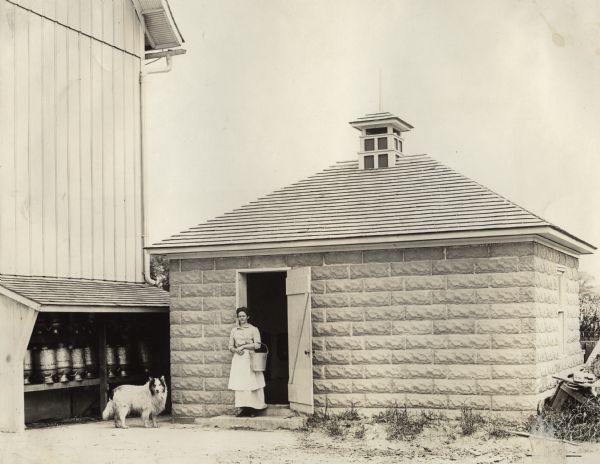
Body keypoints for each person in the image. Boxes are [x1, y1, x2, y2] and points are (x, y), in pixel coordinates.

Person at [227, 307, 267, 417]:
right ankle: (244, 409)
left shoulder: (254, 329)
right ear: (237, 317)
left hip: (250, 358)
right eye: (239, 316)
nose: (241, 318)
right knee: (241, 383)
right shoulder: (234, 330)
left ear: (247, 317)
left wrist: (244, 346)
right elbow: (230, 346)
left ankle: (253, 409)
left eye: (243, 316)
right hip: (239, 359)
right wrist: (235, 350)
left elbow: (258, 344)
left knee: (252, 382)